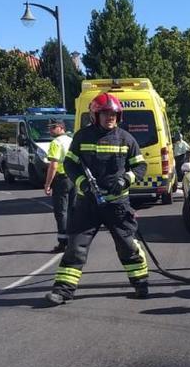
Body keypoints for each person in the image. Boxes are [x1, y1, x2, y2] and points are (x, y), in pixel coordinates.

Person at [45, 93, 149, 305]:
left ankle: (141, 283)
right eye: (105, 114)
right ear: (95, 115)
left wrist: (125, 180)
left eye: (113, 114)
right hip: (88, 204)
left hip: (117, 204)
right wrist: (83, 183)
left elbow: (140, 166)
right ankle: (63, 291)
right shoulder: (82, 137)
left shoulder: (127, 139)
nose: (109, 117)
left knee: (127, 245)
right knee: (75, 247)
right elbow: (71, 164)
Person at [44, 119, 75, 253]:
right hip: (74, 178)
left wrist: (47, 184)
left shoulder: (55, 143)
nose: (50, 130)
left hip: (62, 179)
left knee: (61, 212)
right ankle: (74, 241)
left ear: (61, 127)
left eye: (53, 127)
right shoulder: (71, 140)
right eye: (50, 128)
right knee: (73, 210)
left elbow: (53, 165)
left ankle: (63, 243)